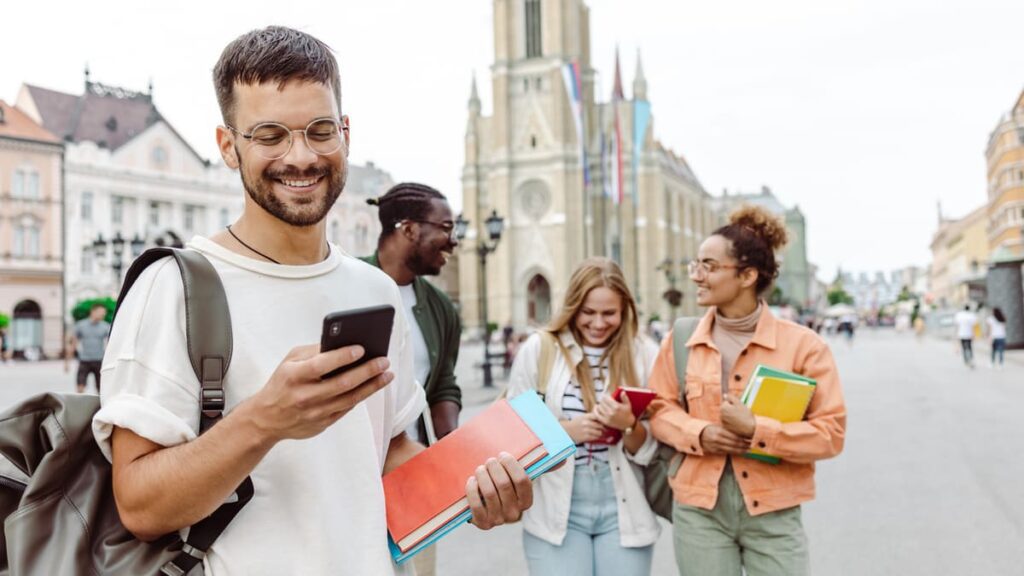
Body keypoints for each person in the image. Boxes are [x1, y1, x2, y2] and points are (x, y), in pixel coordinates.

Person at [92, 26, 532, 575]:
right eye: (270, 135)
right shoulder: (175, 287)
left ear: (345, 132)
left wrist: (477, 490)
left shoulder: (374, 291)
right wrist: (264, 421)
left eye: (320, 130)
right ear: (229, 147)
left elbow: (388, 451)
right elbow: (139, 505)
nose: (300, 156)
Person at [648, 205, 846, 576]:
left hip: (773, 511)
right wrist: (702, 433)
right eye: (696, 265)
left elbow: (830, 435)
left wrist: (757, 430)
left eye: (709, 266)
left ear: (747, 275)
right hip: (699, 509)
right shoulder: (682, 338)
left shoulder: (805, 346)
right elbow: (658, 409)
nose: (697, 276)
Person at [507, 257, 661, 576]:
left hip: (624, 508)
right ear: (572, 307)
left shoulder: (644, 353)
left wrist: (628, 425)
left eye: (609, 313)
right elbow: (512, 435)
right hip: (556, 509)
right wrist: (566, 432)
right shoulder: (539, 349)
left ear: (625, 309)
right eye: (588, 312)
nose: (598, 323)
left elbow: (653, 448)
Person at [363, 182, 463, 576]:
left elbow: (443, 384)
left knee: (418, 570)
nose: (452, 241)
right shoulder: (347, 282)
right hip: (353, 467)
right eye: (445, 228)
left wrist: (454, 450)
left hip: (412, 468)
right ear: (408, 229)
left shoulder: (440, 308)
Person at [66, 303, 111, 393]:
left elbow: (111, 343)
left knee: (100, 389)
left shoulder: (106, 326)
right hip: (84, 360)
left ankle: (99, 406)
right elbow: (73, 344)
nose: (103, 315)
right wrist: (67, 362)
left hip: (99, 360)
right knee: (80, 388)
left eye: (104, 313)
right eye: (101, 312)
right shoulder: (81, 325)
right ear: (93, 312)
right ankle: (81, 405)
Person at [954, 304, 978, 368]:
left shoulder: (959, 315)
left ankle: (966, 360)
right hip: (969, 334)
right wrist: (974, 334)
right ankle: (971, 358)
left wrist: (957, 334)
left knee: (964, 348)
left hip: (961, 334)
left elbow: (957, 326)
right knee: (970, 347)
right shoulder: (971, 315)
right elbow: (974, 326)